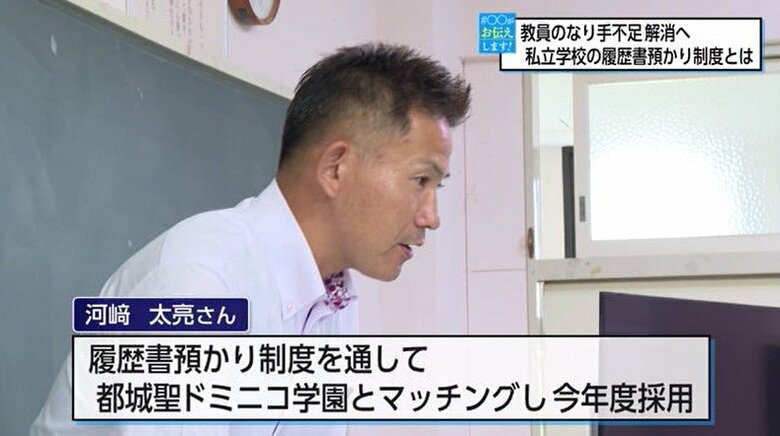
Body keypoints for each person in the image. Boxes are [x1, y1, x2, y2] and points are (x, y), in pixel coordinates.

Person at [30, 42, 471, 436]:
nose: (431, 217)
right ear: (335, 168)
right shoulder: (198, 285)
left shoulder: (333, 299)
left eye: (438, 187)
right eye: (420, 180)